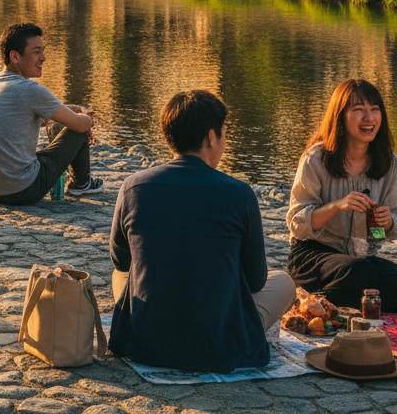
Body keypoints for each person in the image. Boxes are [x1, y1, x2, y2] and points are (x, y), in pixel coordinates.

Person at [109, 90, 294, 373]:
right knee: (283, 282)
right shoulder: (240, 194)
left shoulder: (133, 187)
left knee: (123, 274)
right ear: (211, 136)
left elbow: (121, 261)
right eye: (224, 135)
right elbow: (256, 281)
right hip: (219, 345)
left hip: (147, 343)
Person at [286, 79, 397, 311]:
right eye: (358, 110)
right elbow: (297, 224)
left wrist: (385, 224)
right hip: (311, 256)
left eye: (375, 109)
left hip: (359, 258)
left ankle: (334, 304)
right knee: (362, 274)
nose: (369, 117)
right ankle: (304, 306)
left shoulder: (390, 163)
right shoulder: (316, 158)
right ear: (340, 117)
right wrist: (337, 206)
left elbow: (379, 236)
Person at [0, 23, 102, 204]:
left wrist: (65, 114)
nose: (44, 58)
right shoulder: (30, 90)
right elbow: (80, 125)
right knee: (77, 131)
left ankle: (79, 183)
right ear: (15, 56)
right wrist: (86, 117)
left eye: (43, 51)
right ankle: (81, 184)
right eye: (37, 52)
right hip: (21, 190)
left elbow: (17, 120)